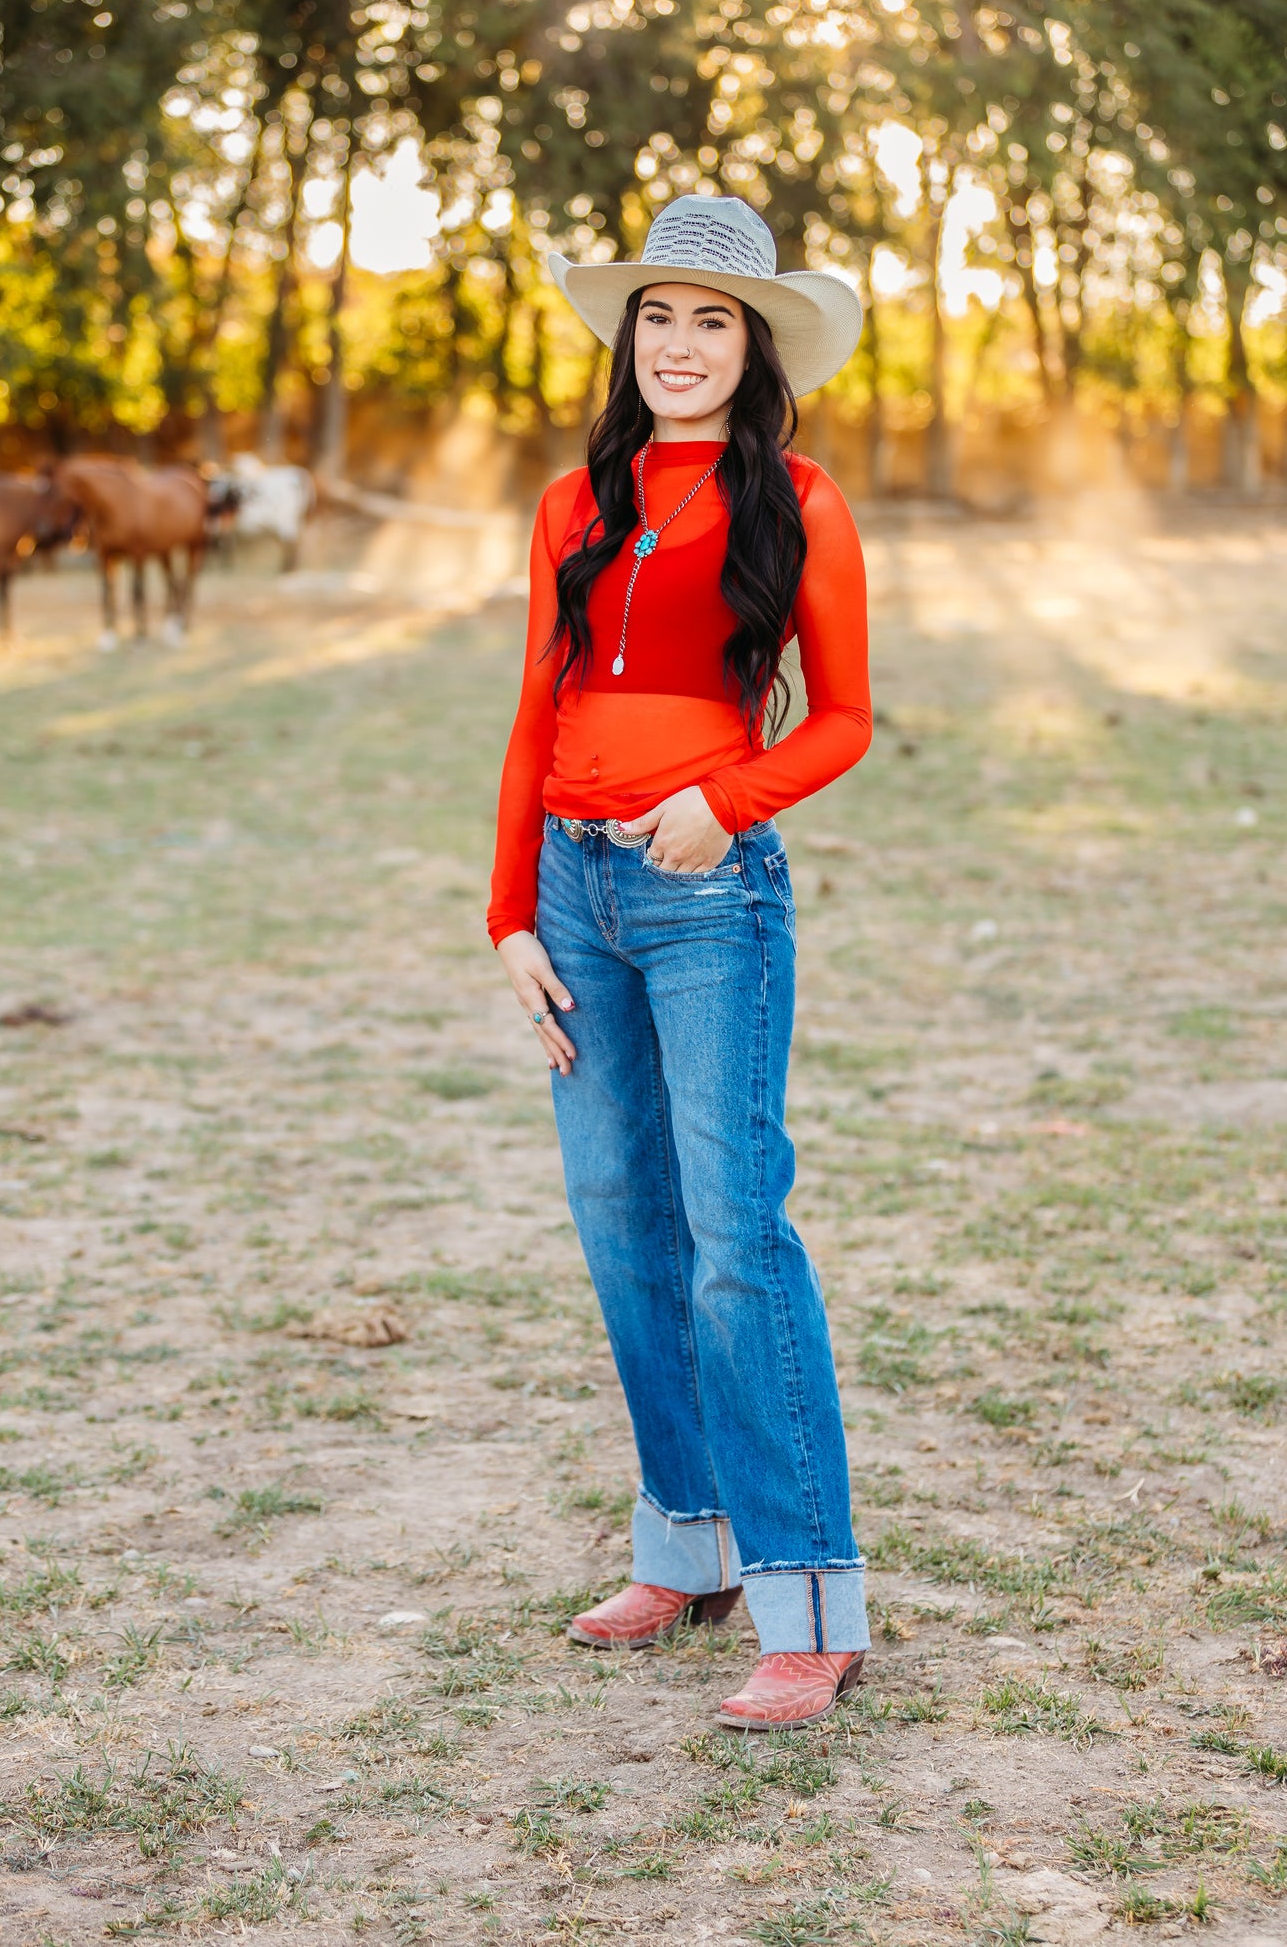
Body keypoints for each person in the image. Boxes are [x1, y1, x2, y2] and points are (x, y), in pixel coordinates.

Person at [488, 193, 872, 1730]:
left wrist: (724, 801)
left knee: (732, 1235)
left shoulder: (803, 501)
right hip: (575, 895)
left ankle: (808, 1597)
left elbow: (841, 720)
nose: (682, 344)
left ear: (755, 345)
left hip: (711, 899)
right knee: (615, 1218)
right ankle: (685, 1548)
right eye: (659, 315)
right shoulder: (574, 499)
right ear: (627, 336)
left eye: (714, 320)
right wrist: (507, 912)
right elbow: (535, 704)